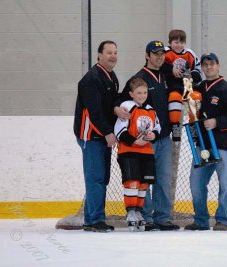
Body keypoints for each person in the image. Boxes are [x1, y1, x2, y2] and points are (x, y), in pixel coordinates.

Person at [115, 40, 180, 231]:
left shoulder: (168, 74)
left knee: (164, 179)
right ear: (147, 55)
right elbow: (121, 99)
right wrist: (117, 108)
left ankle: (163, 218)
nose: (159, 57)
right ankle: (146, 217)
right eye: (155, 53)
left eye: (162, 54)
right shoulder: (139, 77)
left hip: (163, 137)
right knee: (145, 179)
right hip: (143, 142)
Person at [184, 53, 227, 231]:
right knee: (196, 183)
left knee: (225, 183)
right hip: (203, 146)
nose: (208, 67)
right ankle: (201, 220)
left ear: (218, 66)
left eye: (212, 64)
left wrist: (217, 122)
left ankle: (223, 220)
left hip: (221, 146)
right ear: (202, 68)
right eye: (205, 64)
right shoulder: (197, 89)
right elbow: (192, 111)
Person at [73, 40, 119, 232]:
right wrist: (108, 133)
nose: (113, 56)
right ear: (99, 55)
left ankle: (96, 216)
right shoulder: (91, 79)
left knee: (103, 177)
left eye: (115, 52)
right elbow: (94, 112)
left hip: (103, 136)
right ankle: (92, 219)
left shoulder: (111, 76)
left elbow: (111, 104)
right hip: (91, 136)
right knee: (95, 177)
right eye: (109, 52)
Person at [114, 78, 160, 232]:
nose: (142, 95)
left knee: (143, 184)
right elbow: (119, 130)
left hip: (146, 152)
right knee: (132, 181)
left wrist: (154, 135)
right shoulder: (127, 107)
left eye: (145, 92)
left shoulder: (151, 109)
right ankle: (131, 212)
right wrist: (135, 142)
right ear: (131, 93)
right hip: (129, 152)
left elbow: (157, 127)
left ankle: (139, 212)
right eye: (138, 92)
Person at [161, 29, 202, 141]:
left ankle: (193, 125)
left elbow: (198, 70)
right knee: (174, 98)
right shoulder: (165, 52)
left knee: (196, 98)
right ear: (170, 42)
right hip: (171, 85)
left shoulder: (189, 53)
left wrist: (191, 74)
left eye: (181, 42)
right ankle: (175, 126)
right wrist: (171, 69)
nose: (179, 45)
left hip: (187, 85)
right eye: (176, 42)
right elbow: (159, 64)